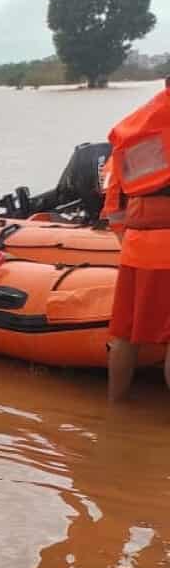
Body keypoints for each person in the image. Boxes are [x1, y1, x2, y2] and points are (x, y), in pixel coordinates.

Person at [104, 78, 170, 402]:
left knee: (124, 336)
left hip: (136, 245)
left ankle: (114, 413)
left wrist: (126, 240)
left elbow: (113, 199)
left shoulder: (132, 129)